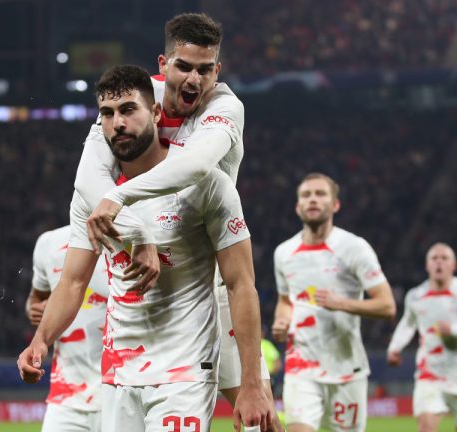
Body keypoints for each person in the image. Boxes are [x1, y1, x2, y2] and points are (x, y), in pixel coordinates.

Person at [18, 65, 271, 431]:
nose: (117, 122)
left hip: (185, 372)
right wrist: (40, 342)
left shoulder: (207, 185)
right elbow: (73, 282)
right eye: (107, 114)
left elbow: (240, 285)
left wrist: (252, 383)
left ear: (154, 113)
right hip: (119, 375)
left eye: (128, 110)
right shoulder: (93, 199)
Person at [73, 14, 277, 427]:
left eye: (205, 69)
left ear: (216, 71)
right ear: (163, 65)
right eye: (184, 66)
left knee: (258, 416)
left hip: (209, 283)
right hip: (153, 290)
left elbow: (197, 164)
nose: (194, 80)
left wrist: (118, 197)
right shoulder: (132, 101)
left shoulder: (224, 107)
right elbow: (86, 176)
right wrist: (135, 231)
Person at [271, 173, 396, 432]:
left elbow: (387, 306)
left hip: (346, 369)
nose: (312, 200)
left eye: (320, 194)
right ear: (298, 207)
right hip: (301, 366)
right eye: (306, 195)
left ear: (335, 205)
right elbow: (285, 300)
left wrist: (341, 303)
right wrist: (282, 319)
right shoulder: (284, 253)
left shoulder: (354, 248)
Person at [387, 243, 457, 432]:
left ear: (454, 265)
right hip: (429, 373)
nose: (439, 262)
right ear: (427, 265)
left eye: (444, 258)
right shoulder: (415, 296)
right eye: (434, 258)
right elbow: (408, 324)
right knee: (426, 427)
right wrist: (394, 348)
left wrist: (455, 330)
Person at [25, 225, 109, 431]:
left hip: (121, 392)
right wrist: (33, 310)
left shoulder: (130, 237)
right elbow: (36, 298)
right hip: (67, 397)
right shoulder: (50, 243)